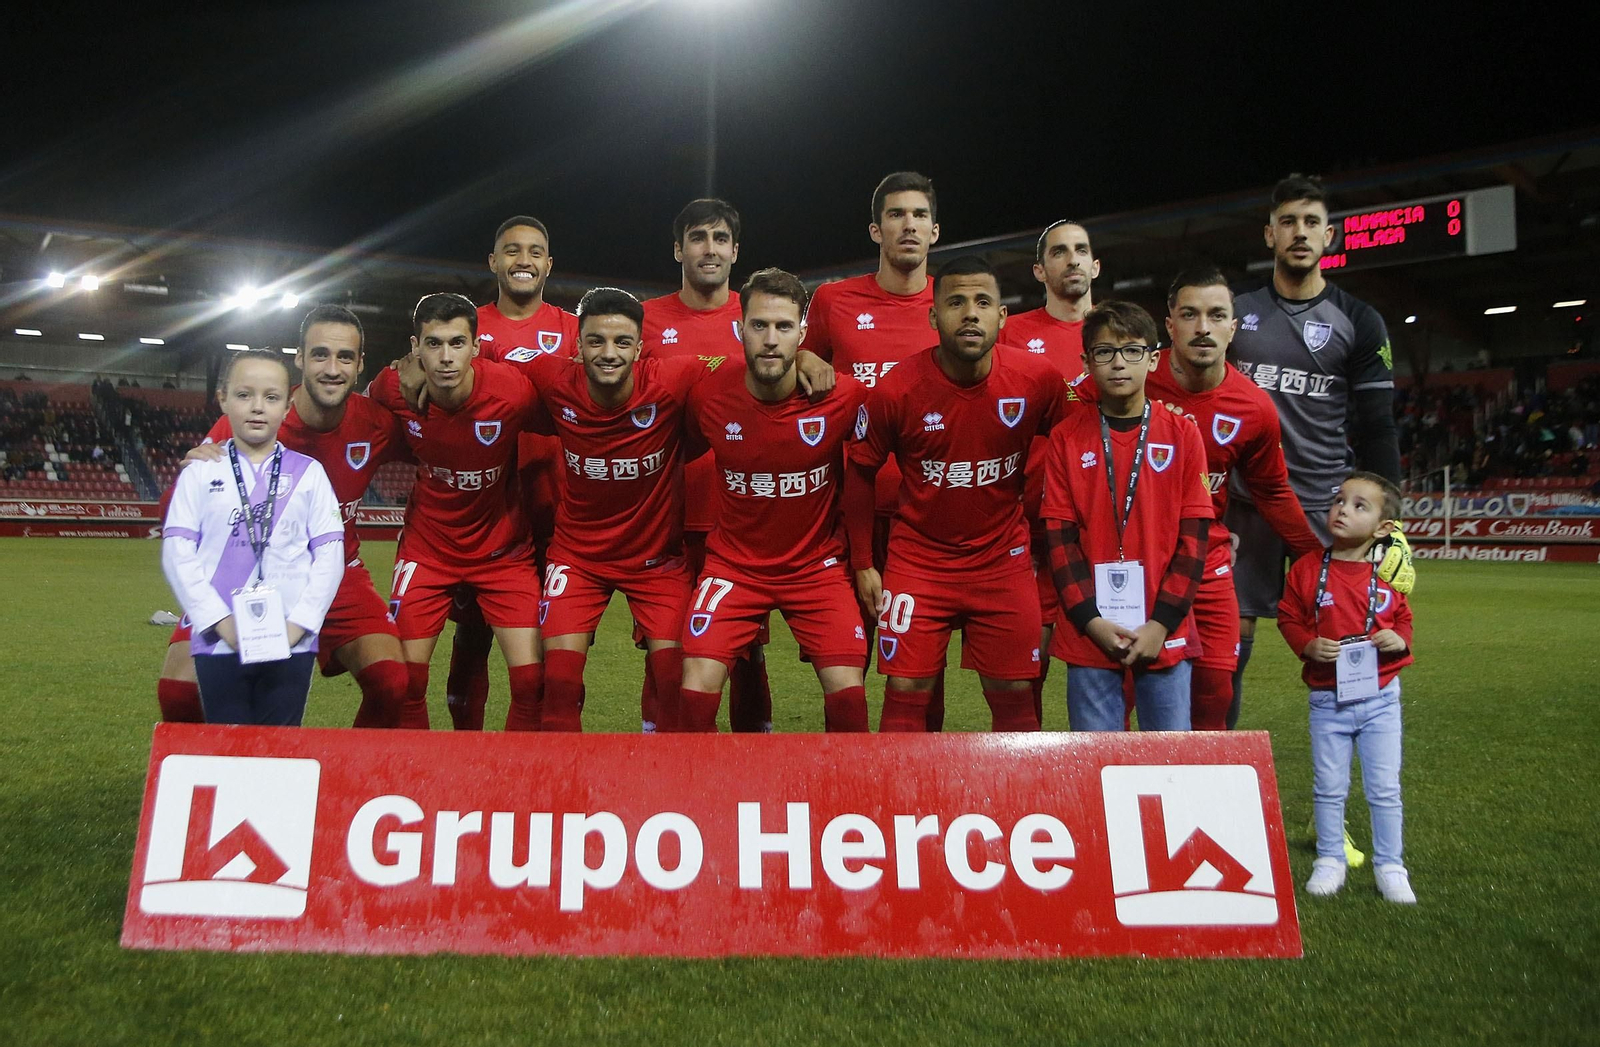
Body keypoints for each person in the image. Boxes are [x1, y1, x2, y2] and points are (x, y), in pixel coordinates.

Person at [530, 287, 834, 732]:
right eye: (595, 341)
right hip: (577, 559)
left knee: (677, 680)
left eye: (621, 342)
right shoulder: (549, 378)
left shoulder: (674, 378)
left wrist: (804, 357)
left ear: (640, 347)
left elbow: (756, 367)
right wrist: (412, 367)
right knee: (556, 679)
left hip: (657, 563)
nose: (608, 353)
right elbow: (478, 374)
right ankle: (563, 794)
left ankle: (679, 788)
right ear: (577, 346)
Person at [157, 306, 413, 728]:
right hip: (243, 576)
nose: (332, 368)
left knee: (391, 683)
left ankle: (348, 784)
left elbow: (437, 443)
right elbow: (178, 516)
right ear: (300, 358)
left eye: (345, 357)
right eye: (320, 354)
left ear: (360, 364)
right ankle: (208, 784)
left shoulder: (377, 424)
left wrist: (415, 384)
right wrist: (191, 472)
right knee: (179, 693)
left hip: (338, 574)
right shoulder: (254, 418)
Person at [847, 255, 1066, 732]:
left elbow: (1077, 444)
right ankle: (897, 803)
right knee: (907, 689)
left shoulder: (1038, 380)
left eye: (983, 302)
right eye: (956, 302)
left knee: (1015, 691)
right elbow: (859, 471)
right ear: (933, 316)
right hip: (919, 560)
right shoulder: (897, 389)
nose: (970, 313)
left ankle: (1020, 805)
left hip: (1002, 559)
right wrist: (864, 561)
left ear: (1001, 317)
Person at [1228, 174, 1402, 731]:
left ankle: (1343, 793)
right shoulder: (1236, 313)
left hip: (1327, 509)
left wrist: (1390, 518)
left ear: (1329, 236)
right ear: (1269, 235)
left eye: (1310, 223)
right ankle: (1208, 764)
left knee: (1349, 645)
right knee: (1229, 641)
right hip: (1246, 504)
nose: (1299, 234)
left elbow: (1378, 425)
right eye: (1288, 222)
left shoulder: (1360, 319)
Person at [678, 268, 870, 731]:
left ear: (802, 334)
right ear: (739, 329)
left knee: (849, 692)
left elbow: (866, 470)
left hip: (816, 568)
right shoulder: (708, 397)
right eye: (759, 325)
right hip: (734, 568)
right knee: (694, 685)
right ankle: (696, 796)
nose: (770, 338)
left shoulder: (843, 396)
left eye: (784, 328)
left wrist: (862, 559)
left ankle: (844, 799)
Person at [805, 171, 952, 729]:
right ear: (876, 229)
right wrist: (801, 360)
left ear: (935, 231)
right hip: (847, 508)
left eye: (919, 215)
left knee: (921, 663)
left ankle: (917, 782)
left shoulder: (957, 305)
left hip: (928, 514)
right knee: (846, 661)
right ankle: (851, 788)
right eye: (896, 215)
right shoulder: (834, 301)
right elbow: (795, 369)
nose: (908, 225)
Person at [1146, 268, 1322, 729]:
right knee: (1131, 682)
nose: (1202, 327)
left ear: (1233, 327)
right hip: (1138, 558)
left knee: (1217, 688)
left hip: (1206, 558)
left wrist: (1314, 555)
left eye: (1216, 315)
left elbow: (1272, 490)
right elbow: (1065, 405)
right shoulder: (1133, 376)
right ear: (1170, 326)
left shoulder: (1254, 407)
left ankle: (1206, 793)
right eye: (1190, 314)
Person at [370, 293, 548, 730]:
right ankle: (422, 778)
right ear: (415, 346)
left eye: (456, 343)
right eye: (433, 344)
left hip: (503, 551)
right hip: (427, 550)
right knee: (405, 680)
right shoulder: (388, 388)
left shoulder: (512, 391)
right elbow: (336, 418)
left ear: (475, 346)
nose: (446, 357)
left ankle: (514, 780)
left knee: (531, 682)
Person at [1041, 301, 1211, 731]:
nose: (1119, 364)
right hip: (1091, 635)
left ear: (1153, 359)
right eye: (1104, 352)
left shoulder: (1183, 434)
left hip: (1164, 632)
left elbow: (1194, 541)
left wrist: (1160, 625)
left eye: (1132, 351)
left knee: (1170, 771)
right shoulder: (1065, 438)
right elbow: (1060, 542)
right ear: (1086, 362)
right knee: (1097, 770)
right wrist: (1092, 622)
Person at [443, 215, 580, 731]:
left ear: (548, 263)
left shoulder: (571, 329)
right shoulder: (467, 329)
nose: (523, 260)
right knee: (472, 635)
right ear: (494, 262)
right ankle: (466, 748)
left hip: (556, 509)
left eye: (534, 251)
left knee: (556, 644)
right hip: (485, 513)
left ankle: (540, 751)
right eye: (512, 250)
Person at [639, 198, 769, 734]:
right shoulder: (644, 320)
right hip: (662, 517)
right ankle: (662, 758)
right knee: (664, 648)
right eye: (698, 237)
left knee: (747, 653)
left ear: (736, 251)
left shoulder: (758, 316)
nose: (709, 248)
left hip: (742, 519)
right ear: (678, 249)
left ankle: (750, 762)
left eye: (720, 239)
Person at [160, 350, 344, 725]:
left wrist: (301, 624)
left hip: (292, 638)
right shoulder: (199, 473)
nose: (257, 407)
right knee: (228, 745)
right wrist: (217, 620)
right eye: (244, 395)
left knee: (280, 745)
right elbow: (177, 553)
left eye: (271, 397)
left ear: (288, 406)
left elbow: (329, 555)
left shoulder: (310, 473)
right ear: (223, 399)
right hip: (219, 640)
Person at [1276, 472, 1415, 904]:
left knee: (1384, 788)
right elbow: (1288, 618)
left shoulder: (1390, 576)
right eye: (1340, 501)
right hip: (1327, 700)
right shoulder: (1305, 569)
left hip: (1380, 700)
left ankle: (1390, 865)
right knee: (1329, 786)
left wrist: (1401, 639)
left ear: (1382, 528)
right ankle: (1330, 859)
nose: (1343, 510)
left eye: (1360, 506)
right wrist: (1307, 644)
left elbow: (1404, 619)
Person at [1003, 219, 1101, 725]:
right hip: (1034, 523)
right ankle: (1032, 771)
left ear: (1097, 265)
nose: (1073, 260)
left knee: (1111, 658)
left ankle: (1112, 772)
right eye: (1060, 252)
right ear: (1040, 269)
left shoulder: (1121, 334)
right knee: (1027, 667)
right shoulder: (1013, 334)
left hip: (1105, 528)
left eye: (1082, 250)